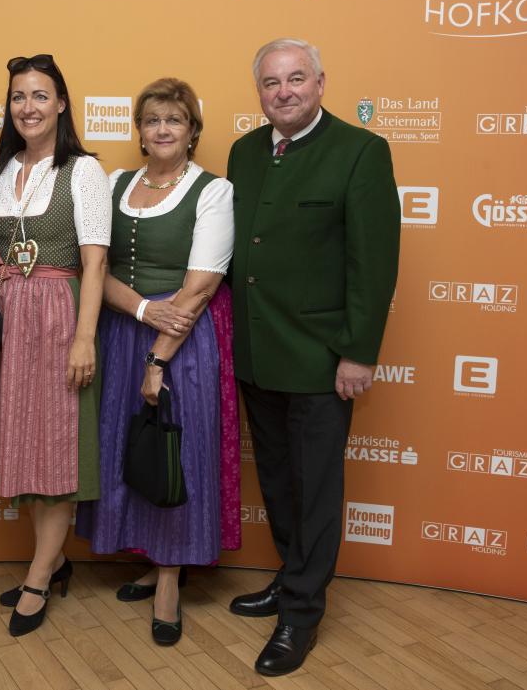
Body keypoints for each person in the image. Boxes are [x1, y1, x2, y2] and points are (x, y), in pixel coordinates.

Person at [227, 39, 399, 676]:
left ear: (321, 83)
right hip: (256, 353)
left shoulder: (360, 151)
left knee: (316, 488)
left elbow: (373, 264)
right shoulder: (245, 152)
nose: (284, 92)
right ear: (260, 92)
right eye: (272, 83)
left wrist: (357, 353)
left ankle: (301, 614)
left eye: (296, 78)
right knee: (277, 480)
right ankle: (289, 576)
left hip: (322, 360)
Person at [75, 77, 240, 646]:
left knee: (175, 452)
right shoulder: (115, 183)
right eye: (152, 120)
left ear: (193, 131)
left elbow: (199, 289)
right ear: (140, 132)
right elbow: (92, 268)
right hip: (121, 331)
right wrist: (142, 310)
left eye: (175, 119)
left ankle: (170, 579)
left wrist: (157, 360)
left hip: (181, 344)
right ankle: (153, 560)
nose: (163, 129)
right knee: (134, 449)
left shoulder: (213, 191)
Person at [0, 54, 110, 636]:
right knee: (24, 447)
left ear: (61, 104)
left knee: (55, 449)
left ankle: (37, 577)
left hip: (59, 316)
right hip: (8, 320)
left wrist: (84, 339)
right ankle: (53, 563)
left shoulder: (83, 171)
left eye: (39, 95)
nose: (27, 107)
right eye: (18, 96)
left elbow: (95, 263)